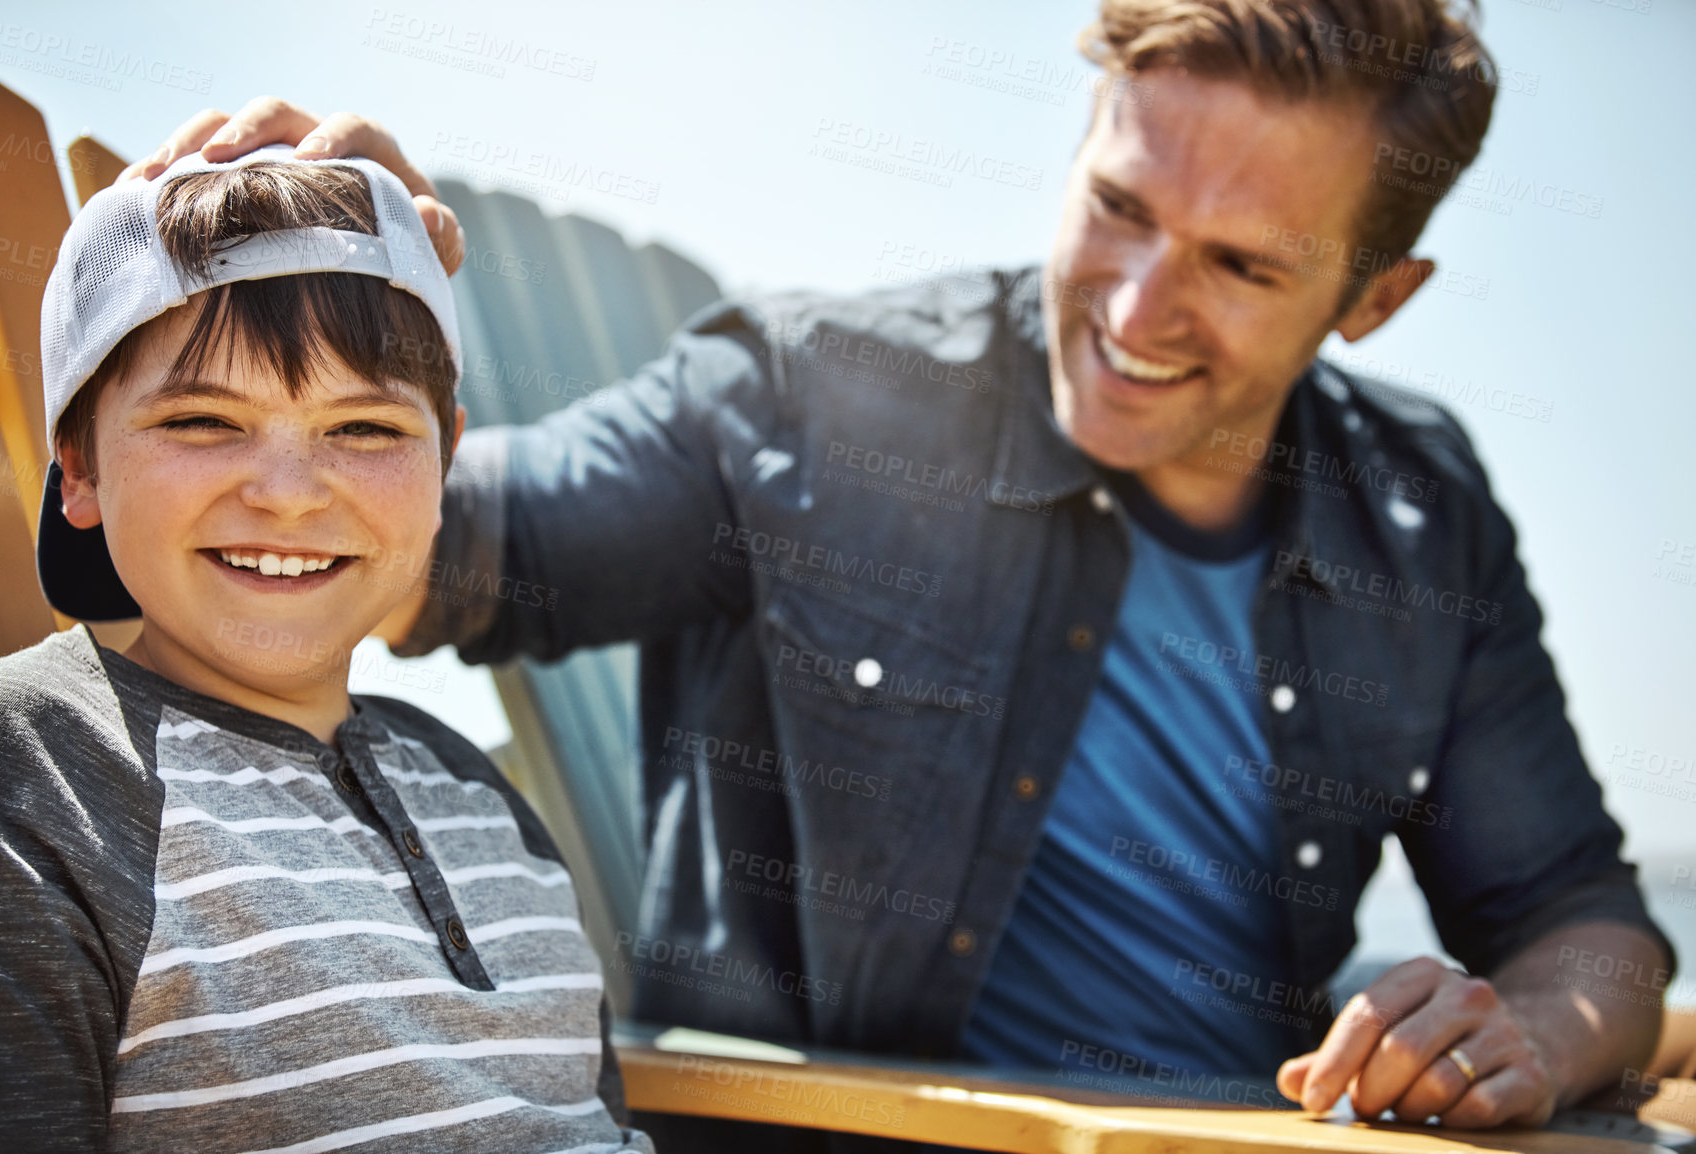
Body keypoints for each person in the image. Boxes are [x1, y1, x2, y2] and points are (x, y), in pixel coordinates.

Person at [130, 0, 1672, 1147]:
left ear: (1376, 297)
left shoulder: (1421, 510)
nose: (1137, 305)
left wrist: (1527, 1030)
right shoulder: (815, 396)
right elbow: (411, 548)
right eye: (1119, 208)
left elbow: (1580, 912)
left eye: (1242, 263)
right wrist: (341, 312)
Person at [0, 147, 651, 1153]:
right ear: (80, 467)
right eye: (203, 418)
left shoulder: (473, 789)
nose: (288, 489)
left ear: (445, 461)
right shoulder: (31, 771)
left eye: (365, 428)